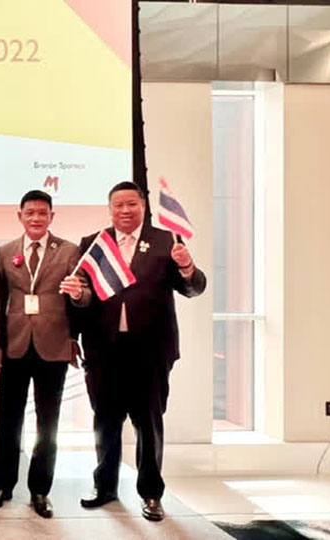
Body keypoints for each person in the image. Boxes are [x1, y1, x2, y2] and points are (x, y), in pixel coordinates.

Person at [75, 181, 206, 522]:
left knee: (148, 423)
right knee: (105, 421)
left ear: (143, 206)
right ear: (110, 209)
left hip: (150, 351)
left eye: (131, 204)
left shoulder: (166, 241)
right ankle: (105, 487)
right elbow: (82, 297)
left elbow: (193, 289)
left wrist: (187, 267)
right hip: (103, 351)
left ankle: (151, 494)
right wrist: (73, 330)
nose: (125, 210)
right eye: (118, 205)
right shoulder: (94, 243)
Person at [0, 190, 90, 518]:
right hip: (15, 346)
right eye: (30, 212)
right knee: (9, 420)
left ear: (51, 217)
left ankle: (40, 490)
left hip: (53, 347)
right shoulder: (5, 252)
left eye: (42, 213)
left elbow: (84, 296)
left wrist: (79, 295)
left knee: (48, 422)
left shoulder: (69, 251)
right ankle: (2, 485)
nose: (36, 218)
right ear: (20, 216)